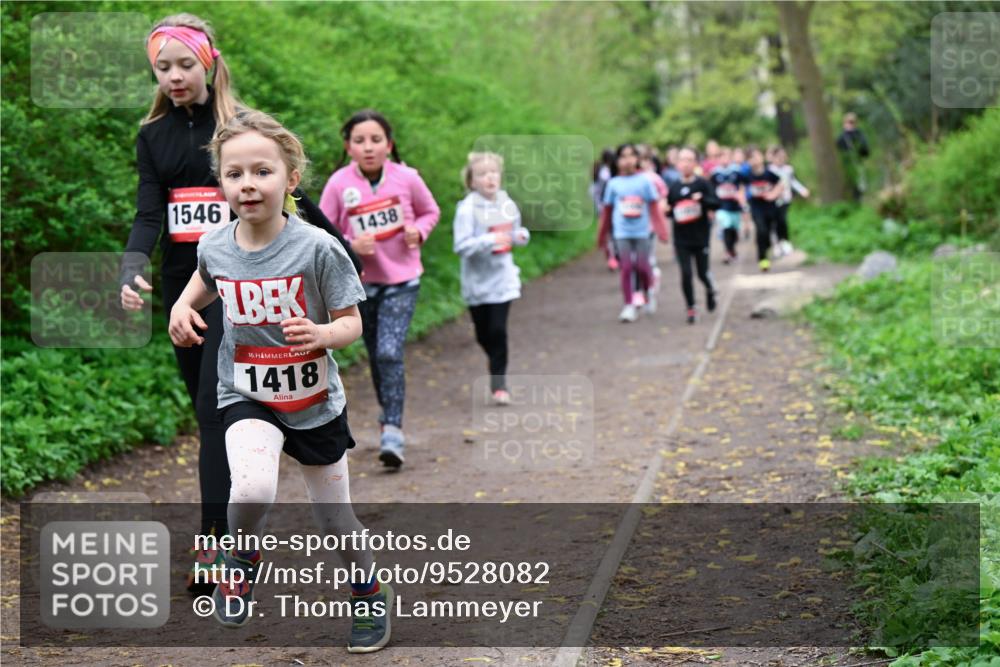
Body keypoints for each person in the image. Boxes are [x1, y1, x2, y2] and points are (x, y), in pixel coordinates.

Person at [118, 13, 359, 593]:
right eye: (162, 66)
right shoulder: (152, 137)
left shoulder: (240, 128)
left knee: (215, 410)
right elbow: (151, 211)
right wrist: (134, 264)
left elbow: (289, 194)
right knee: (211, 424)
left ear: (209, 61)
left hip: (247, 288)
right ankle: (228, 542)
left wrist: (341, 250)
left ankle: (219, 552)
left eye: (184, 63)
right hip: (191, 287)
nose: (174, 76)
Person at [168, 109, 391, 651]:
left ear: (290, 179)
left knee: (335, 517)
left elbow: (351, 323)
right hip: (246, 393)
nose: (248, 184)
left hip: (313, 401)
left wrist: (322, 333)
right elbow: (205, 277)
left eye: (262, 171)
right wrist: (180, 306)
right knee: (250, 486)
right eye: (234, 173)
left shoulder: (317, 247)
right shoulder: (215, 243)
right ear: (221, 182)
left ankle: (368, 593)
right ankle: (241, 556)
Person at [319, 109, 440, 469]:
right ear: (348, 146)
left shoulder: (407, 178)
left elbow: (430, 211)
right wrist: (352, 245)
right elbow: (323, 231)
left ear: (389, 145)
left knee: (388, 352)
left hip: (402, 281)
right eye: (359, 141)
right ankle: (388, 415)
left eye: (376, 140)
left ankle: (392, 429)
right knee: (376, 354)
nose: (368, 147)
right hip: (359, 287)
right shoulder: (339, 184)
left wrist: (420, 230)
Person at [453, 152, 530, 406]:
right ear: (472, 181)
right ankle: (494, 359)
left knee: (498, 330)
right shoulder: (466, 209)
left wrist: (520, 237)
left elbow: (517, 231)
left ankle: (499, 383)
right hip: (477, 283)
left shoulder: (507, 203)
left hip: (503, 280)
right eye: (482, 174)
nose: (489, 178)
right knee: (483, 334)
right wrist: (489, 241)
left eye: (493, 172)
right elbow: (461, 246)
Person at [597, 144, 670, 322]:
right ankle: (629, 305)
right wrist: (602, 236)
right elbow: (607, 212)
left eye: (631, 156)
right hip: (621, 233)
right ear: (617, 160)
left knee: (643, 267)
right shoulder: (613, 184)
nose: (627, 160)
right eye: (623, 156)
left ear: (637, 159)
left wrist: (662, 231)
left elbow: (654, 208)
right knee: (627, 268)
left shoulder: (645, 182)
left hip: (641, 232)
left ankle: (648, 291)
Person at [665, 147, 721, 324]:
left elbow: (716, 203)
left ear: (696, 163)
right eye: (682, 160)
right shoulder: (674, 187)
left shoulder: (703, 184)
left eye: (689, 160)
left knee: (702, 273)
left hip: (700, 237)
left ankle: (711, 290)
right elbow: (669, 209)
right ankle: (691, 307)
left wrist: (702, 200)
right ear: (677, 163)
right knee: (686, 273)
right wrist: (668, 210)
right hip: (681, 238)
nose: (686, 163)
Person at [746, 148, 784, 272]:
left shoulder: (769, 173)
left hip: (770, 208)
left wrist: (773, 194)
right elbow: (740, 188)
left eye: (756, 156)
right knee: (761, 231)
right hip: (756, 208)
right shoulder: (747, 175)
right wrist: (742, 202)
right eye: (751, 158)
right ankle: (763, 260)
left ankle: (767, 247)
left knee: (767, 232)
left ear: (761, 157)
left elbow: (781, 184)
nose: (754, 160)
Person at [769, 146, 810, 257]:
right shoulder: (770, 170)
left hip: (785, 199)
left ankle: (785, 242)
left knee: (783, 220)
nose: (781, 158)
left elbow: (793, 182)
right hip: (772, 200)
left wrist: (802, 190)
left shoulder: (788, 169)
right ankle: (776, 244)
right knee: (774, 223)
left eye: (783, 156)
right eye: (779, 156)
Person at [709, 151, 748, 264]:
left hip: (735, 207)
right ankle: (727, 252)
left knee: (733, 231)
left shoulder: (736, 171)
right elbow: (711, 189)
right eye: (721, 157)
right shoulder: (715, 173)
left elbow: (744, 185)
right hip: (721, 207)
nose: (724, 160)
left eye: (726, 157)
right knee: (726, 227)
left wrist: (741, 196)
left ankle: (732, 250)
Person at [591, 149, 618, 271]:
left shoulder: (600, 171)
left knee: (608, 233)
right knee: (612, 233)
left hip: (602, 206)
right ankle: (613, 257)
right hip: (609, 206)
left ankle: (611, 257)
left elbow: (593, 191)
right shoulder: (607, 173)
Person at [836, 112, 870, 200]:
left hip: (858, 163)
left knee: (861, 186)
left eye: (852, 122)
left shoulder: (859, 134)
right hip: (846, 166)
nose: (850, 124)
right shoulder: (842, 137)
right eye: (848, 122)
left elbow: (865, 151)